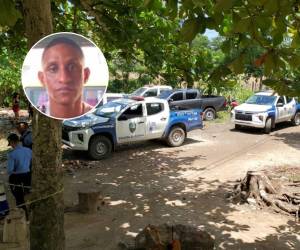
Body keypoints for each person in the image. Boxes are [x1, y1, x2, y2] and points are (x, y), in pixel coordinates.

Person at [37, 37, 92, 119]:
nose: (64, 78)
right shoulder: (38, 116)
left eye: (72, 67)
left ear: (86, 75)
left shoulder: (97, 116)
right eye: (53, 69)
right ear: (42, 79)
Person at [6, 133, 31, 218]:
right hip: (28, 175)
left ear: (12, 142)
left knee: (19, 198)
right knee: (29, 194)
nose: (11, 146)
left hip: (16, 177)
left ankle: (24, 216)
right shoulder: (28, 150)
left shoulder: (12, 154)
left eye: (10, 144)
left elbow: (10, 170)